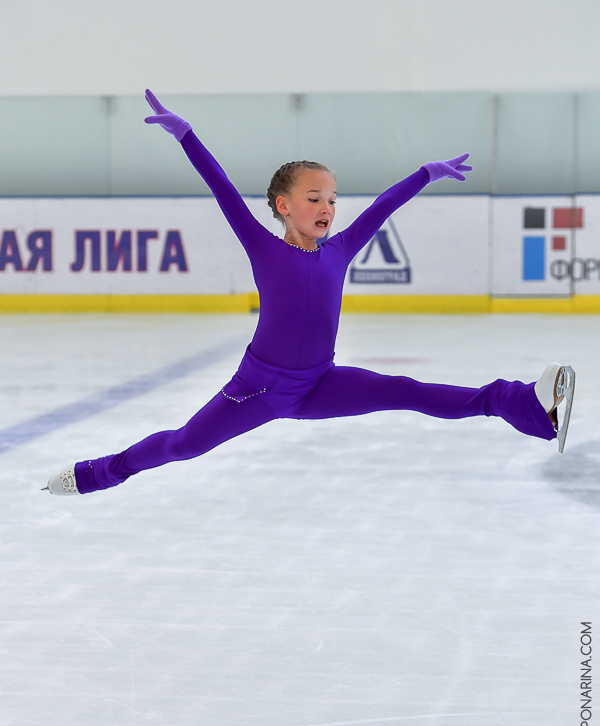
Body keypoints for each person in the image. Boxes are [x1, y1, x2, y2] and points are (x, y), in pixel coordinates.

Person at [44, 90, 575, 496]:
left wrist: (425, 174)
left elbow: (381, 209)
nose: (328, 207)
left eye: (332, 199)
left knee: (407, 390)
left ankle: (525, 404)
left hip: (319, 383)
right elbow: (222, 190)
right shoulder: (263, 247)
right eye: (315, 197)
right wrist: (186, 136)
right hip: (258, 389)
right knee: (184, 444)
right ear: (282, 206)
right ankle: (93, 476)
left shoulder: (339, 250)